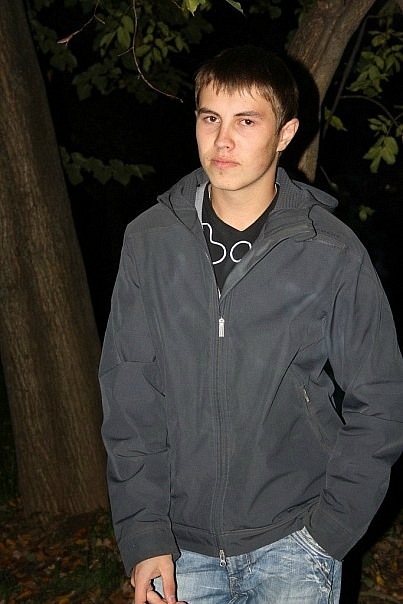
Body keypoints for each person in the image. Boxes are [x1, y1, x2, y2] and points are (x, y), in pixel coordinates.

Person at [99, 45, 403, 604]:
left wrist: (330, 532)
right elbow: (130, 399)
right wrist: (144, 535)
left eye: (246, 121)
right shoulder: (150, 241)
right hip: (179, 551)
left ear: (285, 134)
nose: (222, 140)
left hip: (295, 545)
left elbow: (380, 399)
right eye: (210, 118)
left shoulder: (329, 250)